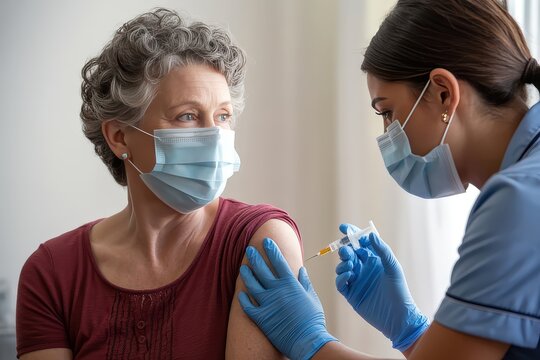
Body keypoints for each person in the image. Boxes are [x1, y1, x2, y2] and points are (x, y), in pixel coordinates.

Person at [237, 0, 540, 359]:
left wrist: (311, 341)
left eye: (388, 112)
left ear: (444, 93)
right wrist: (409, 331)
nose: (387, 135)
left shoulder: (520, 199)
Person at [15, 8, 303, 360]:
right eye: (187, 115)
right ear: (120, 137)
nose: (214, 136)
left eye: (223, 116)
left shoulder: (257, 241)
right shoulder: (54, 273)